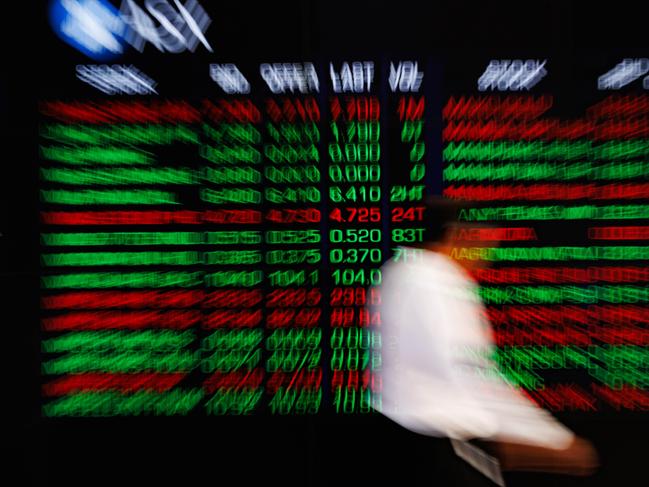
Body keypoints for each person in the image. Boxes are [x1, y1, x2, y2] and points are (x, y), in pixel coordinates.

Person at [370, 196, 598, 485]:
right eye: (485, 241)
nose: (488, 253)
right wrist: (551, 439)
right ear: (457, 235)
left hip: (398, 438)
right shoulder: (442, 283)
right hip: (435, 443)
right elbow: (471, 372)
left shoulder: (398, 271)